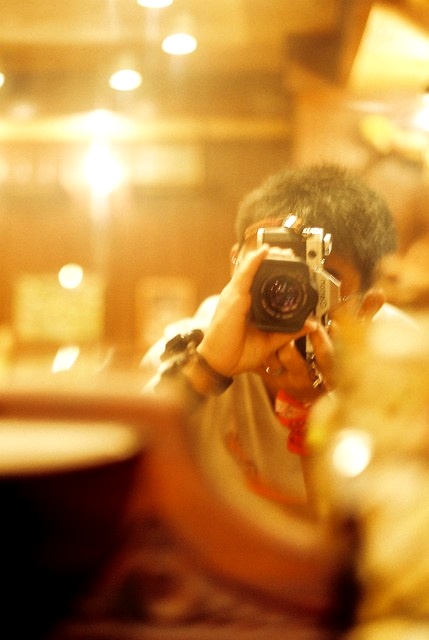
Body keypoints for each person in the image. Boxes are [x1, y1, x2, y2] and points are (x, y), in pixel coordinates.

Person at [143, 163, 406, 522]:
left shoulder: (405, 368)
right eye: (270, 268)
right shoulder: (194, 345)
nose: (287, 293)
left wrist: (322, 410)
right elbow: (119, 467)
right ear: (236, 268)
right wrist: (206, 370)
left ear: (367, 308)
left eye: (317, 278)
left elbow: (374, 539)